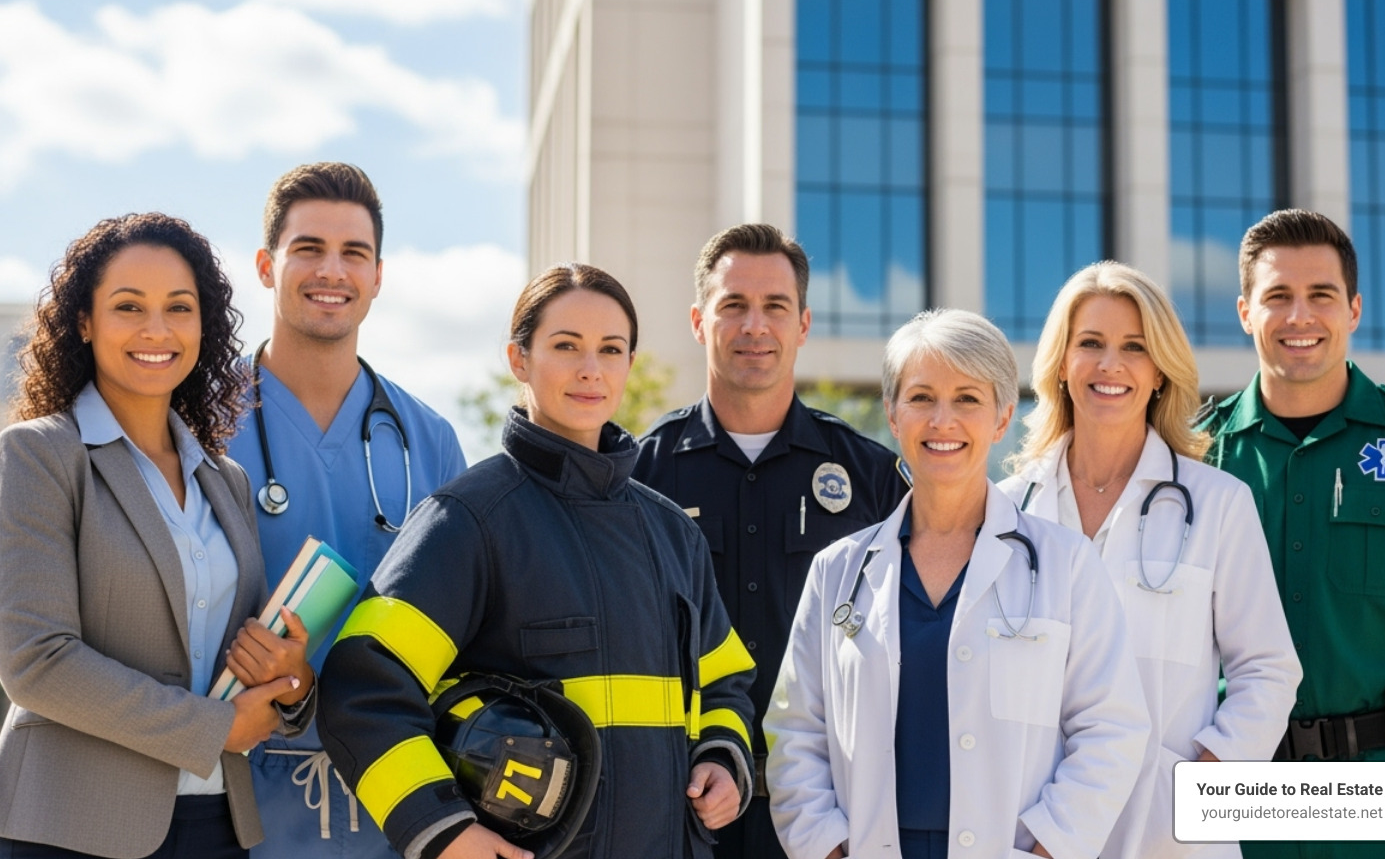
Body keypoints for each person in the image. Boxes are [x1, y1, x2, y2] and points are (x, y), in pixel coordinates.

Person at [318, 262, 756, 859]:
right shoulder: (467, 520)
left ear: (630, 364)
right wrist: (442, 829)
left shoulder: (674, 533)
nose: (590, 369)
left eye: (611, 349)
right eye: (566, 345)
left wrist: (722, 757)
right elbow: (363, 691)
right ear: (518, 359)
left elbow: (726, 683)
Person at [0, 213, 315, 859]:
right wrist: (213, 727)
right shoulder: (39, 456)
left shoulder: (227, 480)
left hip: (217, 824)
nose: (157, 330)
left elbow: (240, 657)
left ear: (203, 326)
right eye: (129, 306)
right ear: (84, 321)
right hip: (71, 828)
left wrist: (288, 681)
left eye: (179, 308)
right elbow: (35, 662)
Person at [765, 308, 1149, 859]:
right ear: (893, 414)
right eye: (921, 398)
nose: (942, 420)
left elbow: (1110, 729)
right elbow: (795, 733)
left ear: (1002, 417)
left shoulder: (1066, 564)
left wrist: (1048, 849)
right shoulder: (837, 571)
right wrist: (826, 847)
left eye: (967, 399)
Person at [998, 261, 1300, 859]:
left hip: (1169, 839)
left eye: (1134, 347)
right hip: (1028, 837)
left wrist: (1195, 793)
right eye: (1090, 343)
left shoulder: (1217, 504)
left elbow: (1267, 672)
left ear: (1159, 370)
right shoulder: (1007, 513)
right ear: (1061, 363)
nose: (1110, 364)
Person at [1200, 209, 1385, 859]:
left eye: (1320, 295)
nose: (1300, 317)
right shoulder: (1196, 457)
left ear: (1353, 309)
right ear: (1245, 312)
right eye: (1277, 296)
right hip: (1234, 800)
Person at [633, 223, 906, 859]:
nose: (754, 326)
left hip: (829, 817)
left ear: (803, 324)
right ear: (699, 322)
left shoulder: (872, 478)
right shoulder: (641, 476)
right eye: (734, 305)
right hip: (681, 813)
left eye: (775, 307)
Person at [223, 162, 468, 857]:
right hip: (233, 799)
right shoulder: (198, 427)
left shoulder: (430, 441)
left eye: (353, 253)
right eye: (309, 249)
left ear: (378, 276)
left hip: (395, 802)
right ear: (267, 266)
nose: (332, 271)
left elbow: (467, 629)